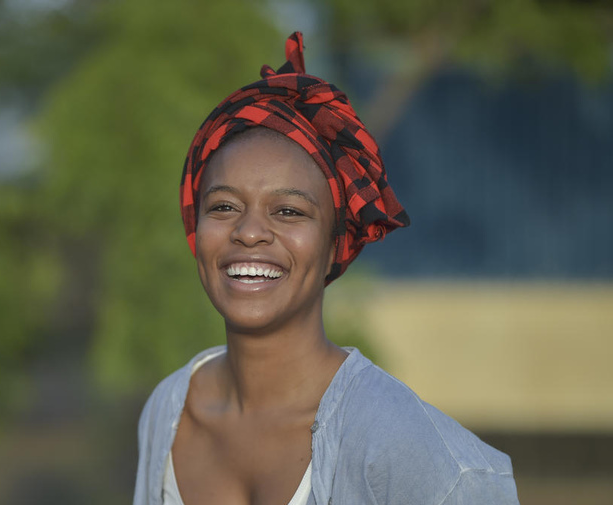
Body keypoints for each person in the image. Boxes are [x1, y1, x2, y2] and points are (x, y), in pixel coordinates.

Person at [132, 32, 519, 505]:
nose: (249, 232)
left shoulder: (408, 451)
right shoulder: (170, 413)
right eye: (225, 207)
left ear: (335, 242)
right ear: (197, 225)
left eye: (289, 212)